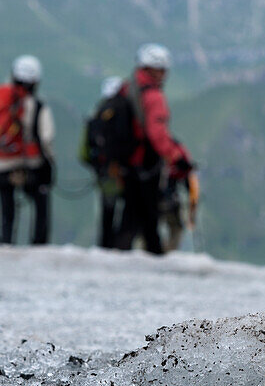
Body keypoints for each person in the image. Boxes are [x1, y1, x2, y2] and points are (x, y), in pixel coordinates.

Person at [0, 55, 55, 245]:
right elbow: (46, 138)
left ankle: (5, 242)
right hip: (31, 166)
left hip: (1, 164)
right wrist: (49, 163)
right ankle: (38, 245)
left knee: (6, 208)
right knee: (40, 205)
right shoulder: (37, 106)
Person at [121, 43, 190, 254]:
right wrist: (175, 156)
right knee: (150, 214)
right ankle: (154, 255)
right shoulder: (153, 97)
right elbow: (157, 133)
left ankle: (120, 251)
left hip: (128, 161)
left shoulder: (129, 88)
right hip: (146, 163)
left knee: (131, 214)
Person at [80, 76, 138, 249]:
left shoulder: (98, 113)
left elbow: (85, 152)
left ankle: (105, 246)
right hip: (121, 170)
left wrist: (98, 167)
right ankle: (121, 247)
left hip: (103, 172)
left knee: (107, 212)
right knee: (128, 209)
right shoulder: (123, 110)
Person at [159, 140, 200, 252]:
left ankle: (150, 252)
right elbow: (192, 188)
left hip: (153, 197)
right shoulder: (182, 157)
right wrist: (192, 213)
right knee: (176, 228)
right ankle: (167, 253)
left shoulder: (159, 149)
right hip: (170, 200)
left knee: (149, 227)